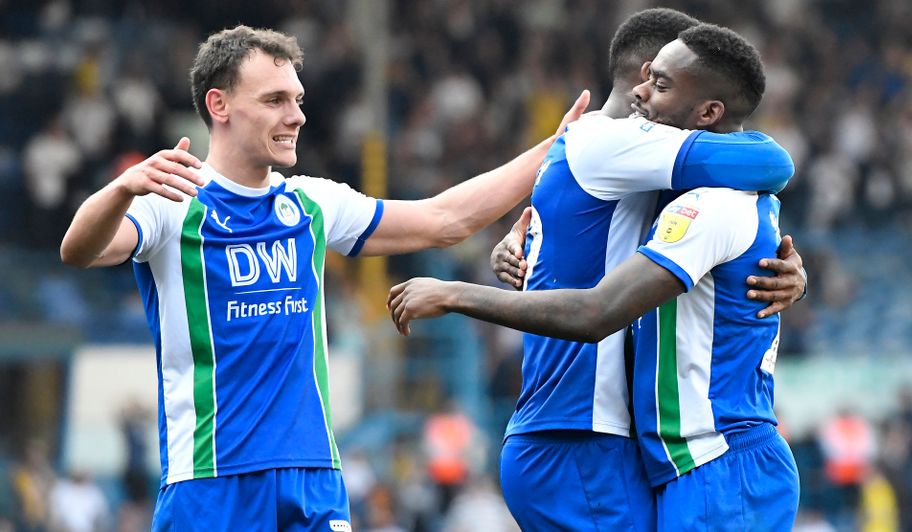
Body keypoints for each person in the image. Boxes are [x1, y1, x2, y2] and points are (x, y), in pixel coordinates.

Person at [59, 25, 588, 530]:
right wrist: (122, 188)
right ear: (218, 105)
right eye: (275, 101)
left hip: (313, 479)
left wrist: (555, 147)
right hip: (210, 480)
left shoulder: (312, 203)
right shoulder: (170, 205)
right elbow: (81, 249)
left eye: (298, 100)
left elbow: (447, 220)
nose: (296, 116)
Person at [389, 23, 802, 531]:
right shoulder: (616, 145)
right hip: (580, 435)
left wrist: (789, 272)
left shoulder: (679, 186)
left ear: (707, 107)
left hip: (667, 449)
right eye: (652, 77)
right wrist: (461, 289)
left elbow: (735, 233)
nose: (643, 93)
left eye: (663, 84)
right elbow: (772, 162)